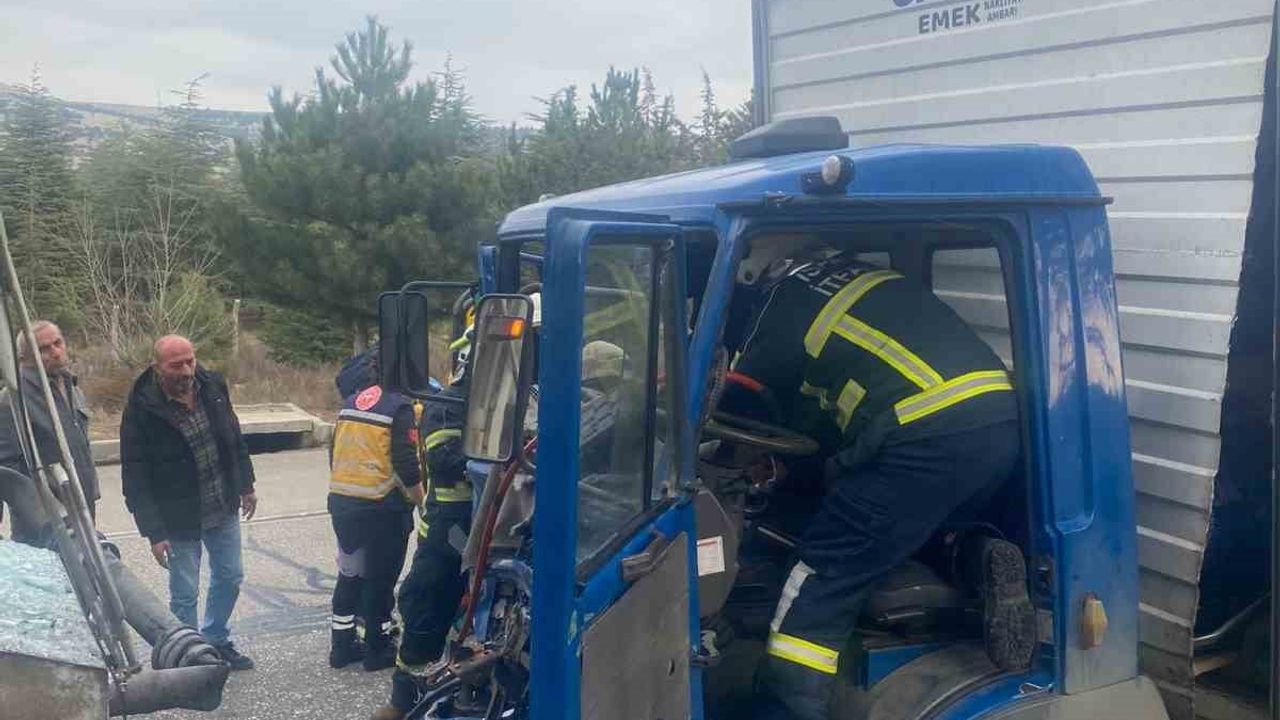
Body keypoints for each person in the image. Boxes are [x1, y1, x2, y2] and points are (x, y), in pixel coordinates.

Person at [728, 251, 1029, 720]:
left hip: (922, 433)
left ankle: (786, 707)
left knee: (821, 575)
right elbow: (828, 417)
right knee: (899, 525)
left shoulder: (779, 305)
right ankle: (975, 553)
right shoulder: (846, 275)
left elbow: (740, 401)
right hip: (996, 422)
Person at [120, 334, 258, 671]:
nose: (187, 370)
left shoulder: (212, 386)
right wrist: (154, 532)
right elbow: (134, 476)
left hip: (221, 504)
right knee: (184, 593)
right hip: (178, 517)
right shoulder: (141, 409)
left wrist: (246, 485)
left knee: (230, 577)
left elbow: (233, 437)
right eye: (176, 365)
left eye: (190, 360)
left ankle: (216, 640)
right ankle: (189, 655)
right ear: (157, 368)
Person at [372, 343, 471, 720]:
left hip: (501, 529)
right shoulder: (448, 405)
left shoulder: (532, 399)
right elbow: (445, 459)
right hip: (450, 534)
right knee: (421, 603)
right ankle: (404, 701)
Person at [328, 349, 423, 671]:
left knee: (350, 574)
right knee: (380, 580)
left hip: (343, 503)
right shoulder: (400, 406)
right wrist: (421, 500)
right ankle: (377, 648)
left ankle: (341, 647)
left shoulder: (351, 402)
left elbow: (334, 452)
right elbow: (407, 464)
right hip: (382, 507)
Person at [0, 320, 100, 519]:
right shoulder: (13, 398)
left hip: (83, 505)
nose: (55, 352)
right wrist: (43, 511)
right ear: (23, 356)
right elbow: (7, 469)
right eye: (44, 349)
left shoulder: (71, 387)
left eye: (58, 343)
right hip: (45, 522)